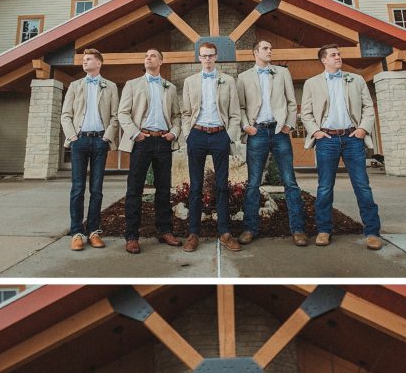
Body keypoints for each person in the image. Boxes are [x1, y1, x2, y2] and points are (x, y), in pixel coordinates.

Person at [300, 43, 383, 249]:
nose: (338, 57)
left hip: (352, 138)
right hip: (326, 140)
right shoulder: (312, 83)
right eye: (333, 55)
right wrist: (316, 132)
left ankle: (372, 232)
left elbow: (367, 107)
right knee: (325, 187)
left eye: (339, 54)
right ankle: (324, 230)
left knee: (362, 186)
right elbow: (306, 113)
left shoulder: (355, 79)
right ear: (324, 60)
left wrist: (363, 128)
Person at [237, 39, 308, 246]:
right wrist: (246, 127)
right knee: (253, 183)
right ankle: (250, 228)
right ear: (255, 53)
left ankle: (298, 229)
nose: (270, 51)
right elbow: (240, 107)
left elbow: (291, 102)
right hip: (256, 132)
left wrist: (288, 126)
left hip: (279, 131)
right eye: (265, 48)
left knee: (290, 181)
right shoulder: (243, 77)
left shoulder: (282, 73)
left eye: (271, 48)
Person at [117, 48, 182, 254]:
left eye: (153, 55)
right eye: (146, 55)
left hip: (163, 141)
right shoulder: (132, 84)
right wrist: (135, 133)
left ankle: (164, 231)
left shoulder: (170, 87)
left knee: (164, 190)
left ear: (161, 61)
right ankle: (132, 236)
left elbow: (177, 115)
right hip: (141, 141)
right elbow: (123, 113)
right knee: (134, 190)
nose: (148, 57)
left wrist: (174, 132)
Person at [180, 42, 242, 253]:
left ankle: (225, 233)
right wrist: (188, 134)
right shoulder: (190, 81)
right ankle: (193, 233)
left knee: (222, 185)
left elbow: (235, 113)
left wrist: (229, 136)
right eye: (204, 56)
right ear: (199, 57)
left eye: (211, 56)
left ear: (216, 57)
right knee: (195, 187)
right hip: (196, 134)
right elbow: (186, 112)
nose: (207, 59)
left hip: (219, 135)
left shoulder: (228, 80)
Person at [60, 47, 119, 251]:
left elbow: (115, 116)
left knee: (97, 190)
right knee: (77, 188)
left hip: (99, 141)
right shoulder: (75, 86)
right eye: (83, 60)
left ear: (99, 63)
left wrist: (106, 138)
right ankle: (76, 232)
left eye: (89, 59)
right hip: (80, 141)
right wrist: (73, 137)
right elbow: (66, 114)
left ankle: (94, 232)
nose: (84, 62)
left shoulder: (110, 86)